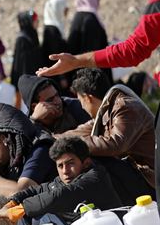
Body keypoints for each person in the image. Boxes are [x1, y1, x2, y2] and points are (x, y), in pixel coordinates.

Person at [36, 0, 160, 208]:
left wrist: (76, 62)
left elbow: (133, 50)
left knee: (101, 165)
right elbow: (90, 128)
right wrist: (57, 138)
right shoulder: (108, 108)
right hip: (89, 73)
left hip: (148, 180)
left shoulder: (123, 105)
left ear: (89, 97)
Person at [0, 137, 122, 225]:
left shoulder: (95, 176)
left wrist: (21, 209)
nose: (65, 171)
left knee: (41, 212)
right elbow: (35, 191)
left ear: (86, 163)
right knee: (30, 213)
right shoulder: (60, 181)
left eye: (70, 163)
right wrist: (11, 203)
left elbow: (62, 195)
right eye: (60, 166)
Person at [60, 68, 156, 205]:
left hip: (150, 179)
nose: (82, 107)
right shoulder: (106, 111)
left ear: (88, 98)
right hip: (138, 178)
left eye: (81, 101)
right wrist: (51, 139)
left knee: (99, 162)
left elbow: (115, 144)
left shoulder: (125, 107)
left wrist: (75, 144)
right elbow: (77, 133)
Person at [17, 74, 90, 134]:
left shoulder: (76, 107)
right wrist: (34, 121)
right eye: (50, 100)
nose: (58, 101)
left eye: (57, 95)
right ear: (34, 107)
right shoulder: (27, 126)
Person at [67, 0, 111, 84]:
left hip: (78, 69)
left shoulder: (78, 16)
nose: (99, 1)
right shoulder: (90, 19)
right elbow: (92, 49)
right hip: (91, 70)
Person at [41, 0, 70, 93]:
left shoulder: (56, 26)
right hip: (57, 75)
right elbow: (54, 55)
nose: (66, 13)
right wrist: (62, 77)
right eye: (64, 9)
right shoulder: (51, 30)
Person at [10, 10, 43, 88]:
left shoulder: (32, 34)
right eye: (34, 20)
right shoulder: (22, 39)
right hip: (28, 80)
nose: (37, 22)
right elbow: (23, 65)